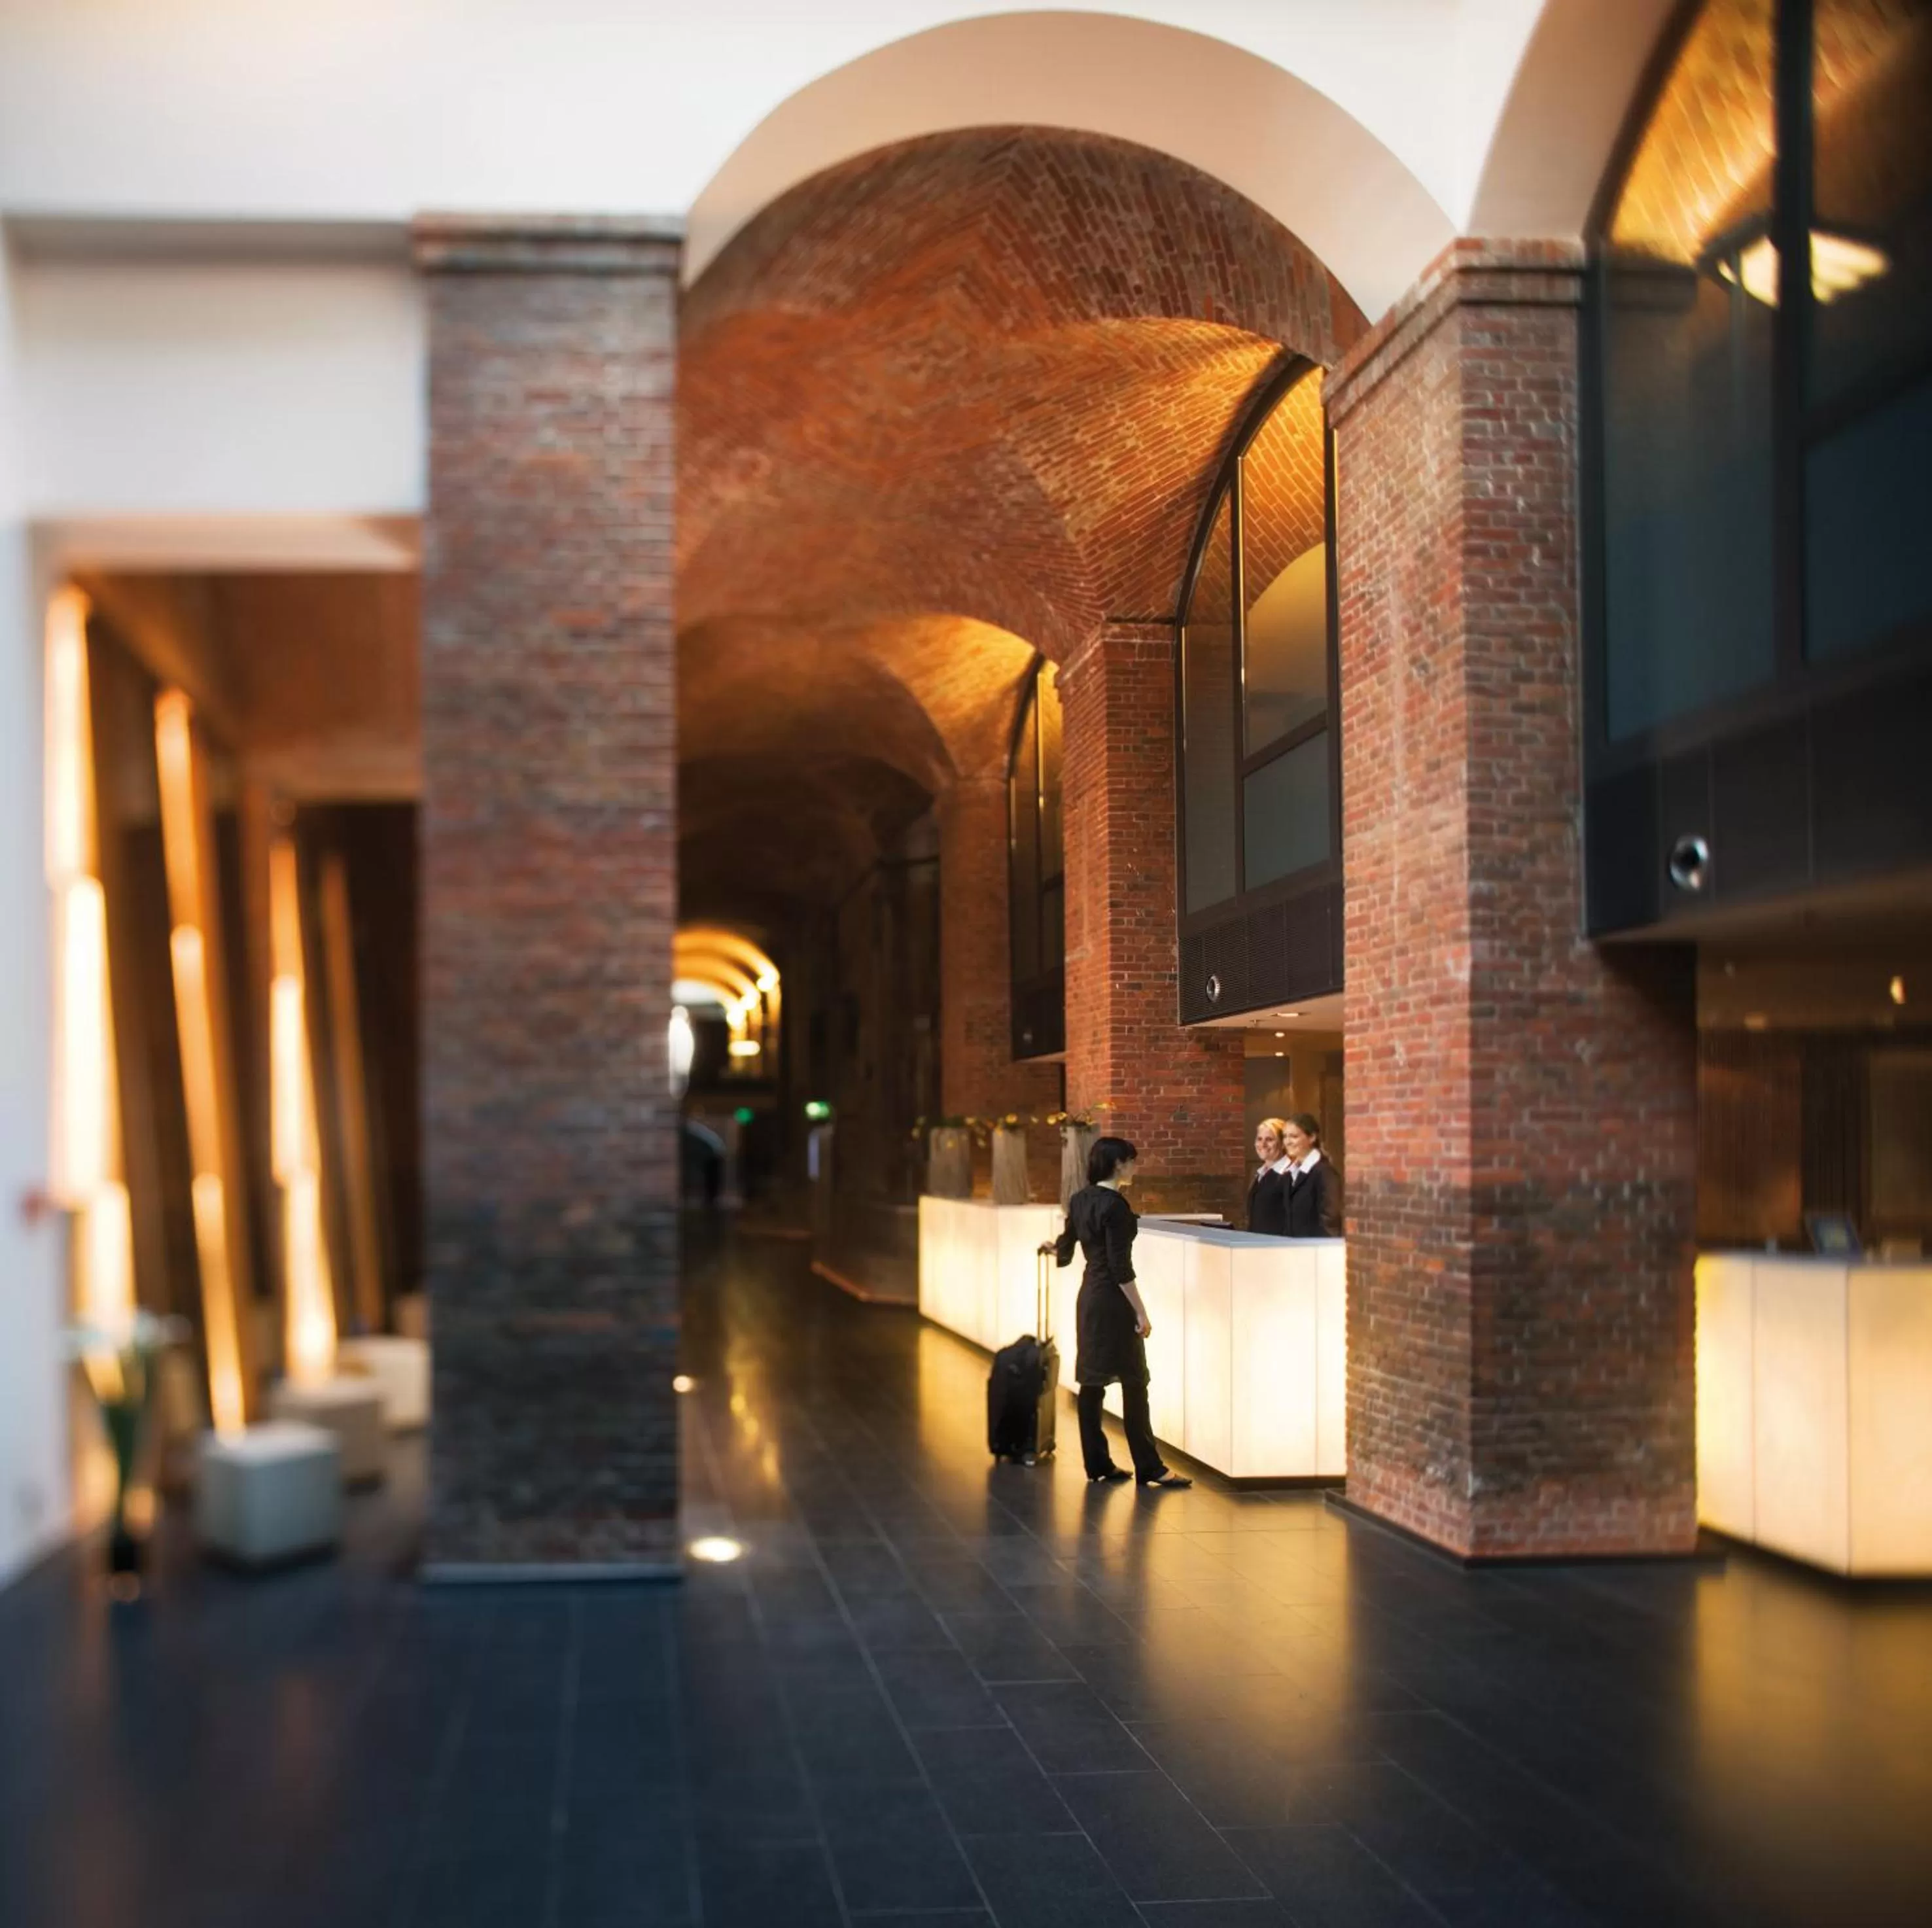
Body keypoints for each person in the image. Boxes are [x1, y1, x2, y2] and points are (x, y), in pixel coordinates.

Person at [1044, 1136, 1192, 1489]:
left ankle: (1098, 1464)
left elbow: (1064, 1250)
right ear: (1118, 1165)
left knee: (1092, 1383)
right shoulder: (1116, 1207)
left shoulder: (1080, 1200)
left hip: (1089, 1300)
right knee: (1135, 1382)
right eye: (1132, 1161)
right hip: (1112, 1302)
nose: (1135, 1167)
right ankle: (1150, 1466)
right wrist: (1141, 1312)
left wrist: (1051, 1248)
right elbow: (1120, 1268)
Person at [1280, 1113, 1343, 1237]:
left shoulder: (1325, 1173)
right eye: (1285, 1136)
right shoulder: (1289, 1174)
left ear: (1312, 1137)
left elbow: (1330, 1221)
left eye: (1294, 1136)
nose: (1288, 1142)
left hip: (1314, 1251)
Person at [1247, 1117, 1291, 1235]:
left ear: (1283, 1144)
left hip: (1277, 1247)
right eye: (1259, 1139)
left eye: (1270, 1139)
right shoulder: (1260, 1174)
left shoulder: (1290, 1174)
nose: (1263, 1144)